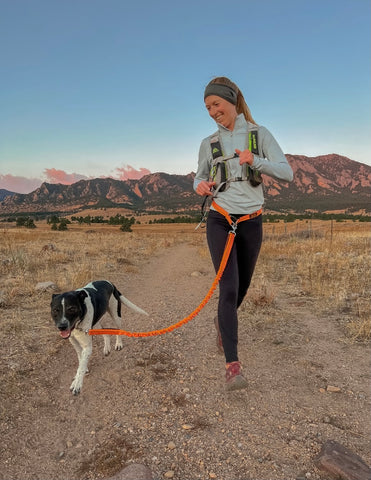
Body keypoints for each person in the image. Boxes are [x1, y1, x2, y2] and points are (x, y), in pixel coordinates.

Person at [194, 76, 293, 391]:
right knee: (230, 288)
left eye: (216, 104)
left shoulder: (258, 134)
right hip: (220, 218)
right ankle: (233, 368)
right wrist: (200, 184)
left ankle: (223, 323)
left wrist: (257, 161)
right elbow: (199, 175)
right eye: (208, 107)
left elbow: (287, 172)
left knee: (244, 287)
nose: (212, 112)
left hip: (251, 220)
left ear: (231, 101)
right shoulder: (208, 143)